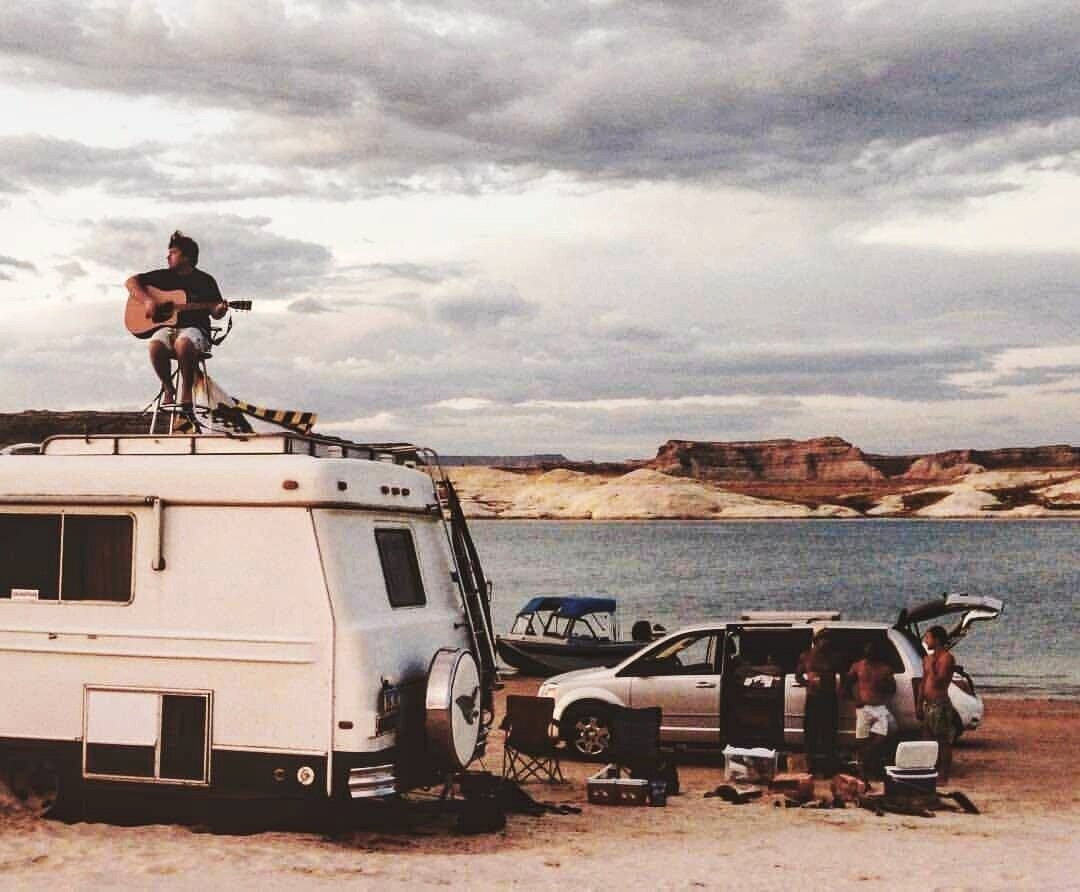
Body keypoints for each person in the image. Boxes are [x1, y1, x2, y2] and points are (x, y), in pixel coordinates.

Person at [126, 231, 226, 414]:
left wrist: (219, 310)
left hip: (197, 331)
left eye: (173, 252)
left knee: (183, 342)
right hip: (168, 329)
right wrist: (148, 300)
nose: (168, 256)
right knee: (155, 344)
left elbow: (215, 311)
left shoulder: (205, 281)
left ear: (187, 257)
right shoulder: (163, 276)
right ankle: (168, 388)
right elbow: (131, 282)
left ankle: (187, 392)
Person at [846, 640, 897, 778]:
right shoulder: (857, 666)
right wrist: (854, 699)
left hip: (880, 707)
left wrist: (883, 688)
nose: (869, 654)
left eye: (873, 651)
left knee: (883, 735)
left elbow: (893, 689)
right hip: (863, 708)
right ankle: (863, 770)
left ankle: (865, 758)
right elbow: (847, 683)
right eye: (868, 651)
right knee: (861, 739)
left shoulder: (885, 669)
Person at [796, 631, 839, 776]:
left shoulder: (833, 657)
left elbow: (845, 674)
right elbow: (798, 675)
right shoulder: (806, 656)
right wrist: (807, 682)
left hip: (829, 698)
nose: (826, 642)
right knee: (811, 734)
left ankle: (829, 769)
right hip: (813, 698)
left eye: (828, 639)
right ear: (817, 640)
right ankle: (811, 767)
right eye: (823, 639)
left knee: (829, 734)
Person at [918, 625, 956, 782]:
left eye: (928, 637)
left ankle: (943, 774)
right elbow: (923, 682)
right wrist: (918, 703)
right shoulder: (927, 659)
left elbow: (939, 681)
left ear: (937, 639)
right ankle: (929, 771)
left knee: (942, 741)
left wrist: (931, 666)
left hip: (940, 703)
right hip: (928, 704)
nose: (926, 641)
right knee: (927, 739)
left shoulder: (947, 658)